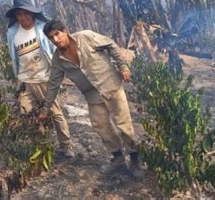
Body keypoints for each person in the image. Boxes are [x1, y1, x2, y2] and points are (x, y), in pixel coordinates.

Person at [40, 20, 143, 177]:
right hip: (92, 95)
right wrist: (46, 108)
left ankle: (135, 160)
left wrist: (122, 66)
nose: (55, 40)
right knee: (101, 126)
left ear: (64, 31)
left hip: (111, 85)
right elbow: (53, 84)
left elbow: (110, 44)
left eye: (57, 34)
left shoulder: (86, 37)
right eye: (51, 38)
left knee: (124, 124)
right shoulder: (58, 60)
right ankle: (118, 159)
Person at [5, 0, 74, 158]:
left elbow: (57, 49)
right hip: (25, 80)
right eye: (20, 14)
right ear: (16, 16)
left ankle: (66, 146)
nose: (24, 17)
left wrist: (63, 72)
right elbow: (14, 56)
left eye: (27, 13)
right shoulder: (12, 33)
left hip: (44, 78)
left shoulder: (43, 29)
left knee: (55, 113)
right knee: (26, 113)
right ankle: (40, 145)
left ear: (32, 13)